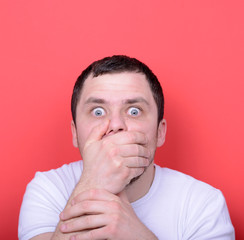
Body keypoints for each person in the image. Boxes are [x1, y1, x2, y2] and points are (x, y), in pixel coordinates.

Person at [18, 55, 235, 240]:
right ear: (75, 133)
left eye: (134, 111)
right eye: (98, 112)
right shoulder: (48, 190)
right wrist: (94, 181)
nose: (115, 126)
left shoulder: (204, 204)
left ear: (160, 132)